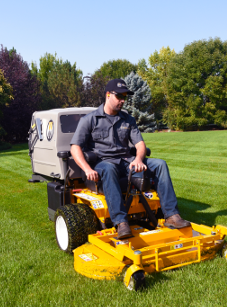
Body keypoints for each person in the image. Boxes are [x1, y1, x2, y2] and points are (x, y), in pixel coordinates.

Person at [70, 78, 191, 239]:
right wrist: (87, 169)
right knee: (109, 168)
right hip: (103, 164)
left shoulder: (128, 119)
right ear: (108, 94)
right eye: (119, 96)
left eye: (124, 97)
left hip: (127, 162)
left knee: (160, 164)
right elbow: (75, 147)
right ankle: (121, 222)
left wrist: (138, 159)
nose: (122, 100)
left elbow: (140, 144)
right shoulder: (89, 120)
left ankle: (171, 215)